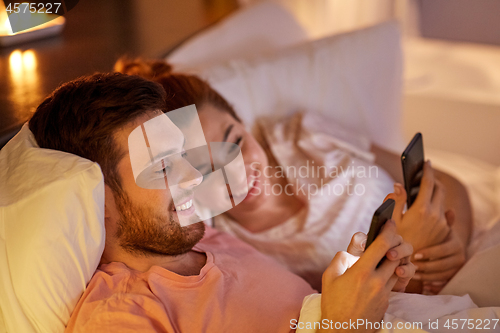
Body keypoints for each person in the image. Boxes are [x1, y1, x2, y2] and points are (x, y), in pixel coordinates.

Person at [29, 72, 414, 332]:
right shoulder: (120, 314)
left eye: (183, 156)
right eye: (164, 167)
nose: (194, 177)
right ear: (97, 197)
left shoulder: (205, 237)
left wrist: (370, 292)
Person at [115, 58, 472, 293]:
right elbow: (343, 315)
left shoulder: (306, 135)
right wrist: (414, 261)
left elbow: (449, 184)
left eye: (235, 141)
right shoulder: (227, 246)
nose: (236, 171)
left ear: (244, 123)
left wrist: (450, 247)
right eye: (206, 170)